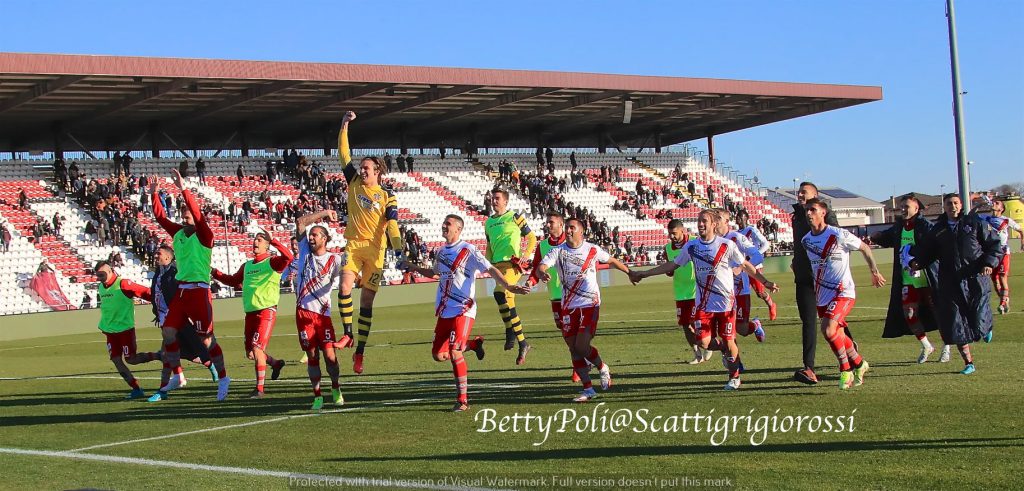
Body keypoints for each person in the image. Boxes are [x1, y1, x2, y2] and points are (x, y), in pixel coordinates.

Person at [632, 209, 779, 391]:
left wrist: (765, 282)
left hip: (725, 304)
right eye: (699, 221)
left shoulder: (726, 245)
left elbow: (745, 265)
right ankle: (727, 352)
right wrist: (644, 274)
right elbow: (673, 264)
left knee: (729, 340)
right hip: (703, 305)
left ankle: (734, 377)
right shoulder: (692, 247)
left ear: (714, 225)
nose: (700, 224)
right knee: (703, 341)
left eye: (704, 221)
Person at [405, 215, 528, 411]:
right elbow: (434, 273)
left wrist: (509, 286)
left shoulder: (468, 250)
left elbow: (491, 268)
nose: (444, 226)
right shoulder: (441, 251)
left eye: (448, 224)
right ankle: (473, 344)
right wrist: (412, 267)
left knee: (454, 352)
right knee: (438, 355)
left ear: (458, 229)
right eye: (444, 223)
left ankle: (462, 401)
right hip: (445, 310)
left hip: (464, 308)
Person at [150, 169, 231, 400]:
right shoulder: (179, 234)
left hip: (199, 291)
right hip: (182, 292)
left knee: (207, 339)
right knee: (168, 331)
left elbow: (196, 211)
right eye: (183, 218)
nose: (184, 221)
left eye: (188, 218)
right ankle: (178, 375)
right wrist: (154, 194)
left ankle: (224, 377)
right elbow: (160, 218)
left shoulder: (205, 235)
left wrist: (183, 188)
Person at [336, 111, 406, 375]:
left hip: (376, 252)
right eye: (361, 167)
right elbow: (343, 154)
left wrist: (398, 249)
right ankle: (347, 334)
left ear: (377, 172)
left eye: (367, 168)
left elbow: (393, 224)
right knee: (344, 287)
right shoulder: (353, 182)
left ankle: (359, 352)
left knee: (366, 303)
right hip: (353, 246)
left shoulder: (387, 196)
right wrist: (344, 126)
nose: (362, 170)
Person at [909, 193, 1002, 375]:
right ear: (944, 207)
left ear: (961, 205)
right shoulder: (938, 230)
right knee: (956, 322)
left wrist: (988, 264)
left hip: (974, 277)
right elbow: (928, 251)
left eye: (956, 203)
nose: (953, 206)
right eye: (949, 203)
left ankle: (986, 327)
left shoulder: (974, 223)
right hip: (950, 281)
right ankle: (969, 363)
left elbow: (994, 245)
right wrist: (917, 261)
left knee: (979, 314)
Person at [535, 218, 627, 402]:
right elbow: (541, 265)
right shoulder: (558, 251)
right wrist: (542, 272)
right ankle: (588, 389)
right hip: (568, 306)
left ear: (581, 230)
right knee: (573, 348)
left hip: (589, 304)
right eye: (567, 227)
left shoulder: (592, 249)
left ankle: (602, 367)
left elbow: (611, 260)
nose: (568, 231)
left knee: (581, 345)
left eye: (572, 227)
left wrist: (629, 272)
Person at [802, 198, 885, 389]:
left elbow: (864, 247)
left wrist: (874, 271)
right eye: (807, 210)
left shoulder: (838, 234)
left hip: (843, 292)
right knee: (835, 333)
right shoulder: (805, 240)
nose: (808, 213)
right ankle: (859, 363)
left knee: (829, 329)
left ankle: (845, 369)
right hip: (822, 295)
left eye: (812, 209)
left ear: (823, 212)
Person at [211, 228, 293, 398]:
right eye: (255, 239)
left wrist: (275, 240)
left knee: (256, 349)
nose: (256, 242)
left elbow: (289, 257)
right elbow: (233, 280)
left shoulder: (272, 262)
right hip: (250, 313)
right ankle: (275, 363)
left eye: (260, 240)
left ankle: (260, 390)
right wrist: (214, 272)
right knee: (251, 354)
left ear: (267, 246)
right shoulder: (247, 265)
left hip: (266, 311)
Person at [868, 195, 942, 363]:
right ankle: (926, 345)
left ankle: (947, 345)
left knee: (938, 313)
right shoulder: (899, 227)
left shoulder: (926, 227)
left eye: (906, 206)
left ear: (916, 209)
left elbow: (934, 248)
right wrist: (876, 236)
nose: (902, 209)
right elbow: (888, 237)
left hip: (926, 278)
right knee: (909, 313)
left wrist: (920, 260)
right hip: (908, 278)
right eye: (901, 206)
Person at [527, 212, 596, 381]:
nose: (548, 225)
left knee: (578, 335)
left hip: (577, 298)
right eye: (547, 223)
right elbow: (537, 267)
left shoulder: (572, 241)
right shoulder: (542, 245)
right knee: (567, 335)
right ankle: (583, 362)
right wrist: (531, 281)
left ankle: (580, 365)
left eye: (551, 222)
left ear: (560, 224)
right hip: (556, 297)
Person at [147, 244, 217, 402]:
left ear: (168, 257)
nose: (156, 255)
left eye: (159, 253)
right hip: (165, 318)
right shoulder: (158, 272)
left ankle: (167, 388)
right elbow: (157, 294)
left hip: (178, 317)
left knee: (175, 352)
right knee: (178, 352)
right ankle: (204, 367)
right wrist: (157, 312)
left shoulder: (176, 272)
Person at [293, 209, 346, 410]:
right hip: (303, 312)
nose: (312, 237)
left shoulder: (335, 259)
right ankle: (317, 396)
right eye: (311, 234)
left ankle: (335, 388)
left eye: (316, 235)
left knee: (330, 356)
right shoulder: (304, 250)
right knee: (312, 355)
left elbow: (348, 277)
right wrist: (324, 213)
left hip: (323, 315)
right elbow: (300, 222)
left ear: (325, 239)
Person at [790, 182, 841, 385]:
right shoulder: (796, 216)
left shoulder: (825, 215)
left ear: (816, 195)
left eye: (805, 192)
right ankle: (809, 368)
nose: (800, 195)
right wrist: (796, 261)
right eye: (799, 192)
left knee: (835, 323)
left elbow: (838, 239)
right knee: (809, 323)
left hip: (826, 279)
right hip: (804, 277)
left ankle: (850, 355)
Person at [94, 260, 162, 399]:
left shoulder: (123, 284)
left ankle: (158, 356)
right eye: (98, 276)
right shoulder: (101, 287)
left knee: (131, 359)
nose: (99, 278)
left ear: (110, 271)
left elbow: (146, 292)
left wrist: (159, 306)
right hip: (110, 332)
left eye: (101, 275)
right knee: (116, 360)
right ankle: (136, 389)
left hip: (125, 330)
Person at [484, 188, 537, 365]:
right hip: (497, 266)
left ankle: (510, 331)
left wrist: (526, 254)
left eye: (497, 198)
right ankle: (522, 342)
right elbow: (489, 245)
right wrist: (487, 263)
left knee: (501, 294)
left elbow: (531, 237)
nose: (494, 201)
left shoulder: (515, 217)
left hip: (512, 265)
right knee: (505, 299)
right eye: (493, 198)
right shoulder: (488, 222)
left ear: (505, 201)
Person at [661, 219, 709, 365]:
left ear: (682, 231)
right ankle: (697, 354)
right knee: (685, 325)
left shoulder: (696, 241)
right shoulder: (668, 248)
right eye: (670, 234)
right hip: (680, 292)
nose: (671, 237)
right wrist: (668, 271)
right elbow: (670, 269)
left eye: (674, 233)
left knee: (697, 323)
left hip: (697, 291)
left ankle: (709, 345)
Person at [719, 210, 767, 344]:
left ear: (726, 221)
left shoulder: (736, 237)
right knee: (725, 329)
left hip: (740, 289)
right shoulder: (711, 241)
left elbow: (758, 255)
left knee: (742, 329)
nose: (715, 221)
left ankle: (755, 325)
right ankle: (733, 361)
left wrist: (741, 267)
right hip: (721, 292)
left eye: (718, 218)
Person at [977, 196, 1023, 314]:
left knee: (1003, 277)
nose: (994, 204)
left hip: (1003, 252)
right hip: (991, 253)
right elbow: (970, 215)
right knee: (995, 280)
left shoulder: (1006, 220)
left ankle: (1002, 304)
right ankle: (1004, 301)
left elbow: (1021, 230)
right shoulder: (985, 218)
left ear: (1001, 209)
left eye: (997, 203)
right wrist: (979, 204)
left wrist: (1022, 243)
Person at [735, 210, 778, 320]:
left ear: (746, 218)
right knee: (739, 292)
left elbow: (765, 244)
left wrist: (754, 255)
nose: (737, 218)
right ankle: (741, 316)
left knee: (760, 293)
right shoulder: (735, 234)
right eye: (737, 216)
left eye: (740, 216)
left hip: (754, 266)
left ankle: (771, 305)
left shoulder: (751, 230)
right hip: (742, 267)